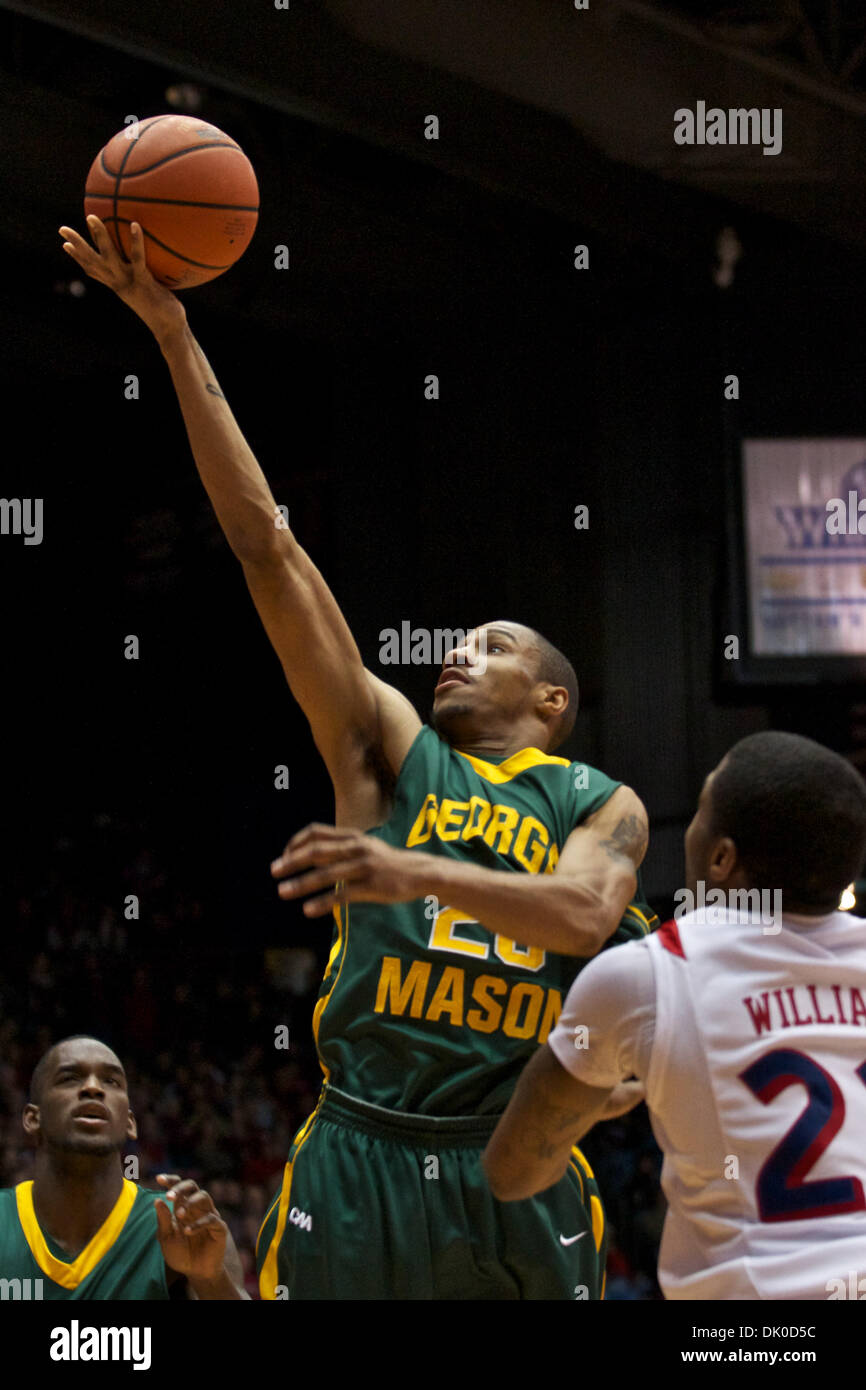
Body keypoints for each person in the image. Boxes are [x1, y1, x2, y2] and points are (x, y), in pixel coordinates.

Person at [58, 216, 657, 1300]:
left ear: (553, 699)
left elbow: (580, 919)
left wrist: (410, 873)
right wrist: (175, 333)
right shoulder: (388, 754)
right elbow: (266, 545)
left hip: (511, 1158)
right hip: (360, 1145)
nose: (459, 654)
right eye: (456, 642)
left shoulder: (599, 804)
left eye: (494, 645)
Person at [483, 731, 866, 1300]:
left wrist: (578, 1116)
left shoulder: (647, 973)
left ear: (721, 857)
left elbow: (511, 1173)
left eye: (702, 807)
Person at [0, 1035, 247, 1299]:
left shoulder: (183, 1225)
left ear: (130, 1122)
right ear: (32, 1118)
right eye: (70, 1078)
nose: (93, 1088)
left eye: (111, 1081)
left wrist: (209, 1279)